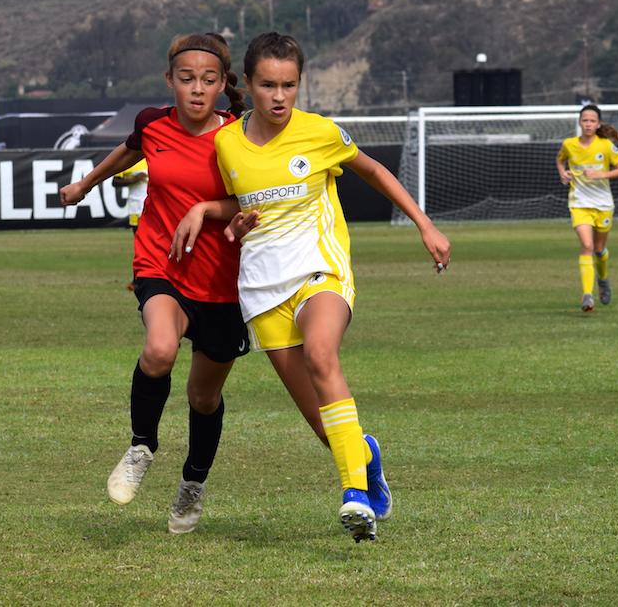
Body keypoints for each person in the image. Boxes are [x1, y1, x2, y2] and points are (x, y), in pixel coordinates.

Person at [171, 32, 451, 543]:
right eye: (269, 85)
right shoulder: (227, 143)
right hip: (261, 292)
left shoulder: (321, 133)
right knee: (325, 426)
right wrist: (222, 219)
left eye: (290, 85)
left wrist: (424, 225)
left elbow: (375, 171)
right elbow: (244, 206)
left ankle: (355, 497)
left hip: (320, 270)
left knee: (323, 356)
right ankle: (365, 457)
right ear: (248, 86)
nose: (280, 97)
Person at [59, 32, 249, 535]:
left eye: (209, 80)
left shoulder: (241, 136)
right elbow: (128, 152)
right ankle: (142, 445)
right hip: (161, 265)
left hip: (223, 283)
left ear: (222, 85)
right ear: (170, 81)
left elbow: (255, 201)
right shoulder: (152, 123)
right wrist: (84, 184)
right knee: (159, 349)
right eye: (186, 79)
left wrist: (209, 210)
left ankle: (193, 484)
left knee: (203, 398)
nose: (196, 89)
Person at [555, 104, 618, 312]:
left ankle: (603, 279)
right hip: (579, 203)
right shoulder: (569, 144)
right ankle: (588, 295)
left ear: (598, 124)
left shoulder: (605, 146)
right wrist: (564, 173)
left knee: (598, 249)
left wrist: (600, 175)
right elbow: (560, 160)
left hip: (603, 204)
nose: (588, 124)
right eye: (585, 120)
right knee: (586, 246)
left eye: (592, 121)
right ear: (580, 122)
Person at [111, 159, 149, 290]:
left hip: (154, 208)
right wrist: (134, 180)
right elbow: (115, 182)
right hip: (136, 209)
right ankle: (137, 279)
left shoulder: (154, 155)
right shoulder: (130, 159)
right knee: (140, 245)